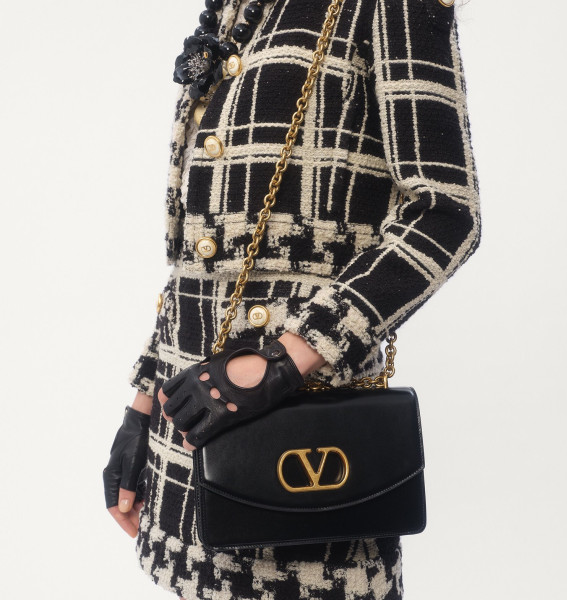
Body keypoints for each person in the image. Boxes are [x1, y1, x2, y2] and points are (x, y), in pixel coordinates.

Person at [103, 0, 481, 598]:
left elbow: (444, 214)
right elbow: (200, 259)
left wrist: (283, 360)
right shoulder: (234, 13)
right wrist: (143, 405)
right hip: (185, 445)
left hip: (299, 450)